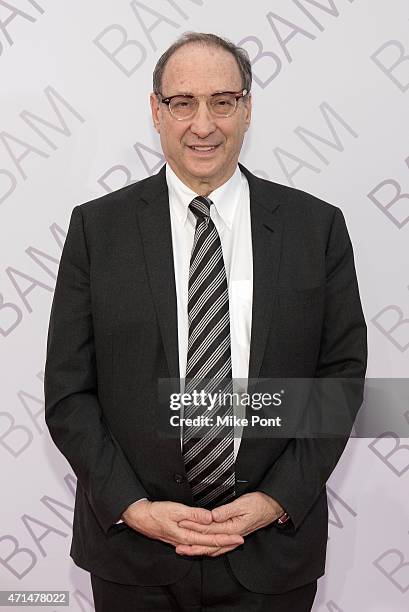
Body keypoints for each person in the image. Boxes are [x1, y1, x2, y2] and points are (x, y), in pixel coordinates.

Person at [44, 32, 367, 611]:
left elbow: (341, 379)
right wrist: (132, 507)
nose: (203, 124)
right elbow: (69, 393)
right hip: (133, 558)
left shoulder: (315, 228)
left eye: (222, 101)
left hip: (272, 555)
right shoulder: (98, 230)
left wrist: (277, 498)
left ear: (246, 109)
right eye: (182, 102)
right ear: (155, 110)